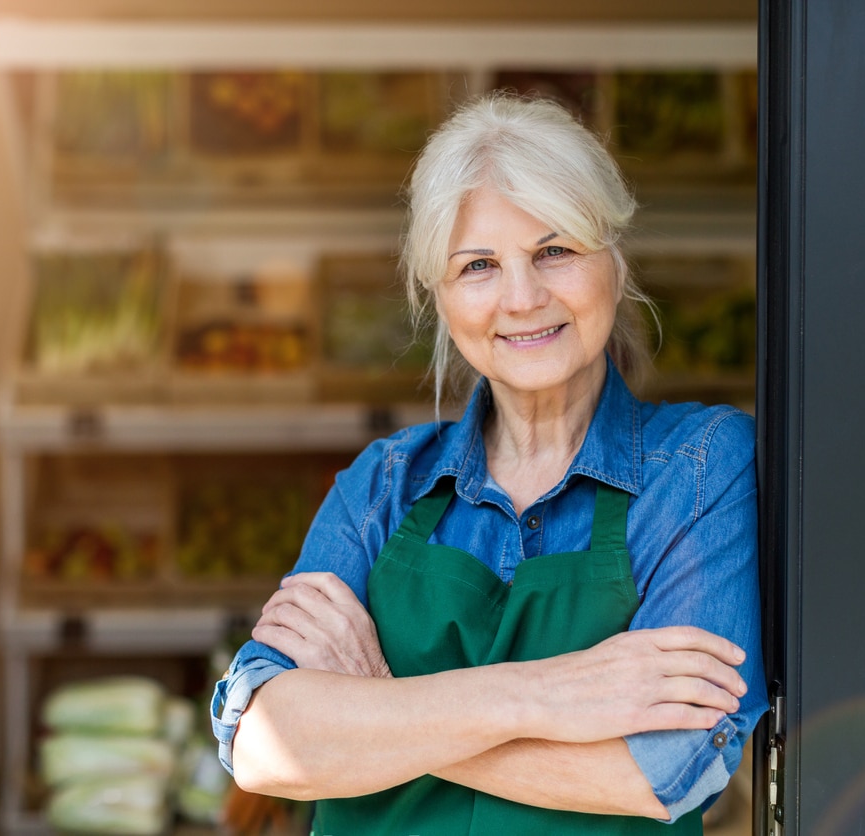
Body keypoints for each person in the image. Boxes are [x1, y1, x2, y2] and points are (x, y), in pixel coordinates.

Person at [212, 93, 767, 835]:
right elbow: (262, 741)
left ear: (615, 260)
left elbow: (666, 767)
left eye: (556, 250)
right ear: (440, 297)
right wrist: (542, 695)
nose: (523, 297)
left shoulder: (700, 467)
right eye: (478, 265)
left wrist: (382, 698)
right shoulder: (384, 483)